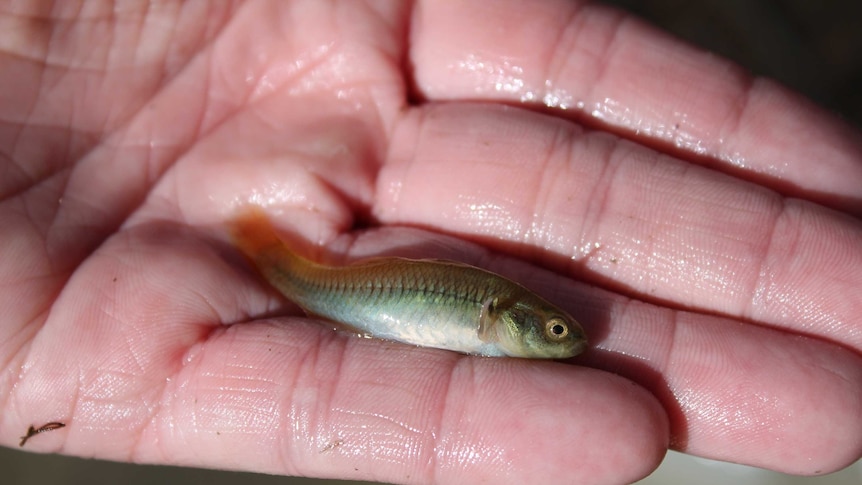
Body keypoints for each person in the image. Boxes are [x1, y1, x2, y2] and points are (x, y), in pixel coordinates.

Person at [2, 1, 860, 484]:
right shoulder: (478, 308)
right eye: (553, 329)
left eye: (557, 329)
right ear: (509, 316)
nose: (561, 336)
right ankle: (269, 255)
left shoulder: (487, 312)